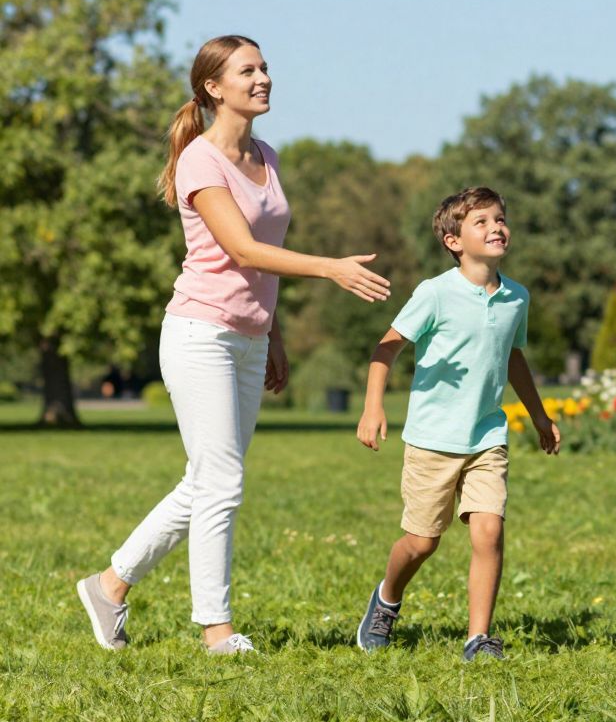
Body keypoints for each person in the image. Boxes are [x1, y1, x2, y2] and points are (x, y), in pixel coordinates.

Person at [77, 35, 391, 655]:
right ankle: (216, 629)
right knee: (221, 482)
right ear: (213, 88)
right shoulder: (200, 160)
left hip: (248, 337)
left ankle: (109, 586)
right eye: (248, 71)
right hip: (201, 334)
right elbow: (243, 250)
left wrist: (272, 333)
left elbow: (265, 260)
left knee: (206, 481)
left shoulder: (267, 155)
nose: (263, 78)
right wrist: (330, 268)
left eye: (265, 67)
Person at [353, 186, 560, 662]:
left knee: (489, 531)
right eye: (481, 222)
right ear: (453, 241)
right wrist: (372, 407)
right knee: (422, 542)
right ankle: (386, 599)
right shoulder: (435, 293)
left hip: (487, 435)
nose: (496, 227)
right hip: (432, 440)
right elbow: (387, 347)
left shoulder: (516, 297)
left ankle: (478, 638)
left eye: (500, 219)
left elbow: (513, 357)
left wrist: (539, 415)